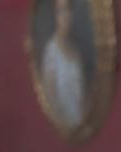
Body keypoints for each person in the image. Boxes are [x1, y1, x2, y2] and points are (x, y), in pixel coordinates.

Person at [40, 0, 89, 128]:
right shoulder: (51, 52)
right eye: (61, 11)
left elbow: (82, 97)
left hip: (81, 124)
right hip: (64, 126)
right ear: (55, 15)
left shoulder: (76, 50)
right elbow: (51, 100)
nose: (65, 16)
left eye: (68, 10)